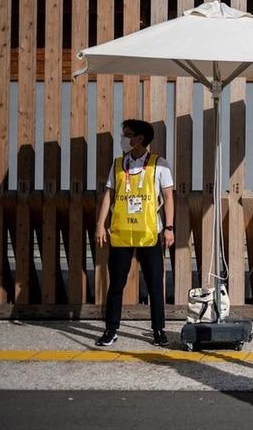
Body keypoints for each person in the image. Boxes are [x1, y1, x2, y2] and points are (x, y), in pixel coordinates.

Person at [94, 119, 175, 347]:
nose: (123, 138)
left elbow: (168, 197)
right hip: (121, 233)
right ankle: (111, 329)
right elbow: (109, 194)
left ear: (139, 139)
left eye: (127, 135)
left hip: (149, 233)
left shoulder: (160, 164)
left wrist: (169, 228)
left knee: (154, 284)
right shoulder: (118, 164)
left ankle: (158, 329)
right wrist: (100, 224)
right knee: (116, 283)